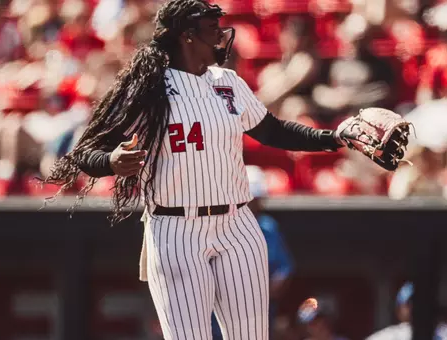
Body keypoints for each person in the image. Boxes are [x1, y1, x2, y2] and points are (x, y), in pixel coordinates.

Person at [43, 1, 348, 339]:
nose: (221, 34)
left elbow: (273, 131)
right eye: (212, 29)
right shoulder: (148, 87)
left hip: (237, 223)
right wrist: (112, 161)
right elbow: (84, 152)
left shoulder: (228, 82)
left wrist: (334, 137)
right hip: (176, 227)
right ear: (187, 36)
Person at [211, 165, 294, 339]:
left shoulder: (267, 226)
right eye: (251, 199)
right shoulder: (217, 226)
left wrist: (259, 294)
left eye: (257, 199)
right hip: (220, 316)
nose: (255, 204)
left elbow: (283, 270)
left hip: (260, 313)